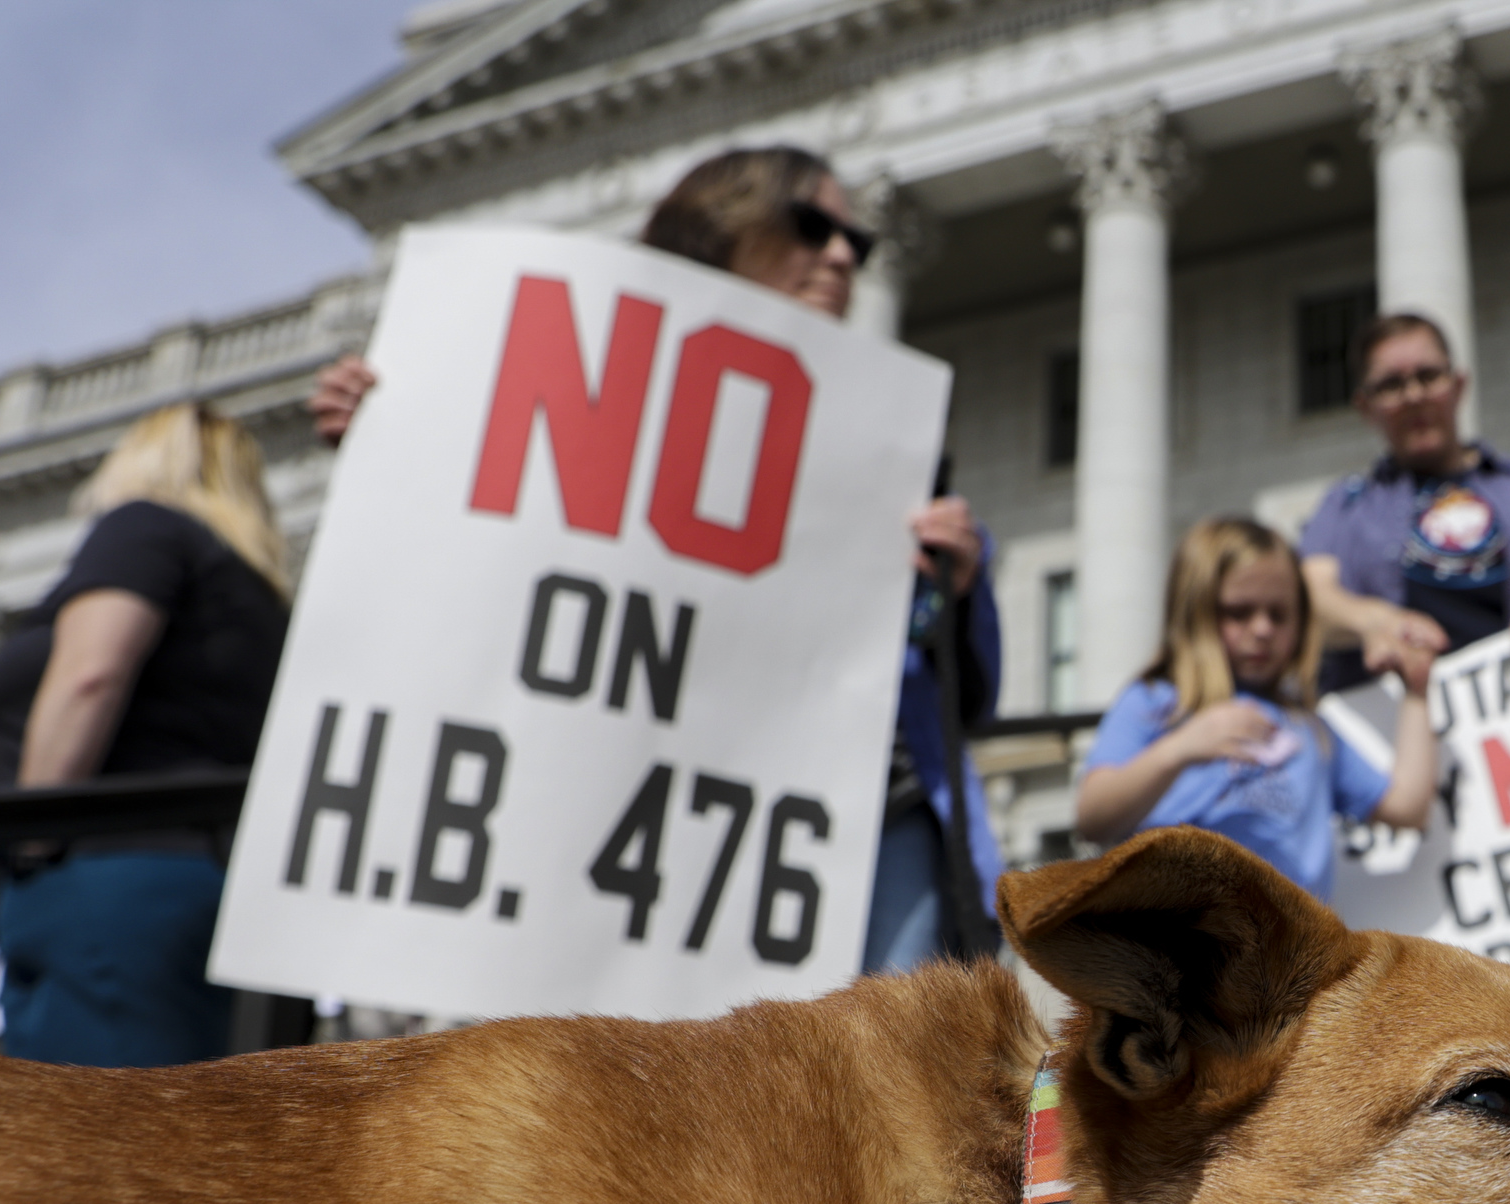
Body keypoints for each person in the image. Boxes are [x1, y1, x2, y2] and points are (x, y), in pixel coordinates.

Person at [310, 145, 996, 975]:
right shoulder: (592, 387)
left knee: (888, 1092)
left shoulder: (891, 441)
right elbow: (482, 582)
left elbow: (971, 689)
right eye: (813, 225)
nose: (844, 254)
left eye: (859, 239)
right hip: (627, 824)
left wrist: (956, 587)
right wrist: (391, 438)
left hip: (859, 824)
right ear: (724, 228)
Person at [0, 404, 291, 1065]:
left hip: (104, 888)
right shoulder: (257, 596)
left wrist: (33, 841)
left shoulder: (143, 525)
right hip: (214, 893)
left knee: (85, 1153)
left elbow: (90, 676)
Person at [1075, 518, 1436, 900]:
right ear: (1195, 610)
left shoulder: (1309, 728)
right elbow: (1093, 818)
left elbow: (1408, 807)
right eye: (1239, 612)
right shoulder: (1154, 701)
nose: (1262, 629)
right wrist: (1180, 749)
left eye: (1279, 615)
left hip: (1293, 952)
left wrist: (1416, 692)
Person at [1297, 314, 1510, 683]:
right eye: (1391, 385)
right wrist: (1375, 621)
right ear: (1365, 406)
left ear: (1458, 384)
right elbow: (1312, 598)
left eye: (1428, 376)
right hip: (1405, 726)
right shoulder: (1345, 507)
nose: (1414, 396)